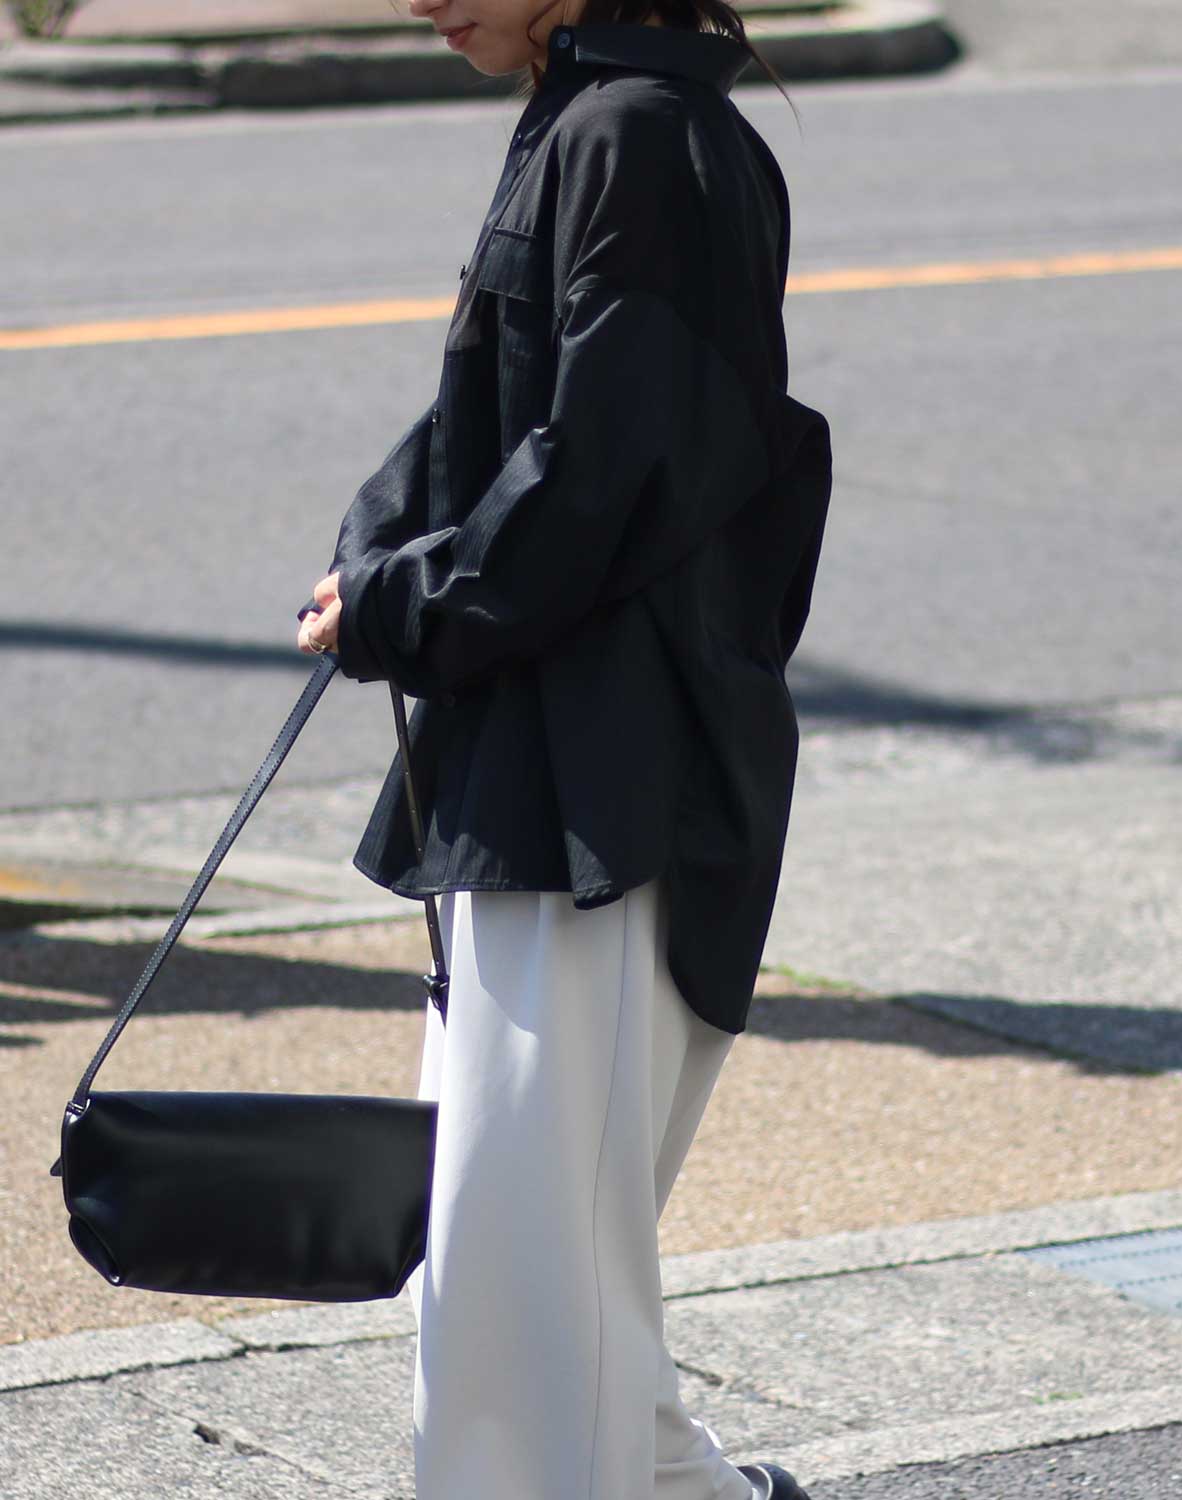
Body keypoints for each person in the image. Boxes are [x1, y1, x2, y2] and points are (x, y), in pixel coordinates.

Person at [294, 0, 833, 1496]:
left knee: (520, 1304)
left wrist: (399, 595)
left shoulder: (641, 137)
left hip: (608, 786)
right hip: (554, 765)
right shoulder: (599, 117)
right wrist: (379, 564)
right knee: (525, 1281)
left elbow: (603, 477)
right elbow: (499, 427)